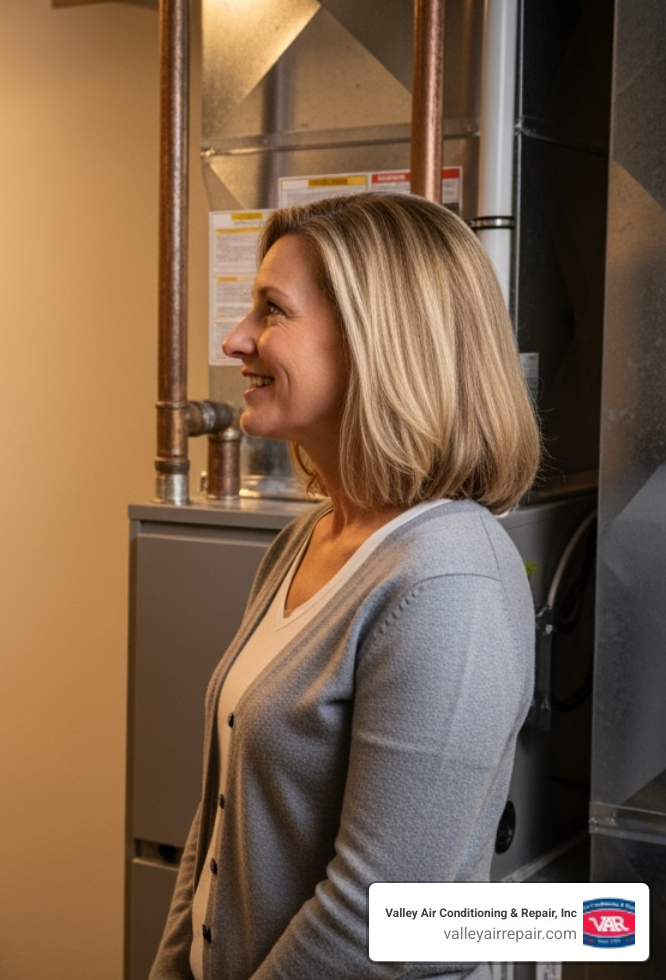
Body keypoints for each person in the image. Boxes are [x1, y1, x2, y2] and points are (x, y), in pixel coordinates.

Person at [150, 191, 541, 980]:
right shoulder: (309, 539)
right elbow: (221, 821)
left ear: (377, 340)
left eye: (271, 311)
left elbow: (385, 919)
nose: (236, 340)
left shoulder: (446, 580)